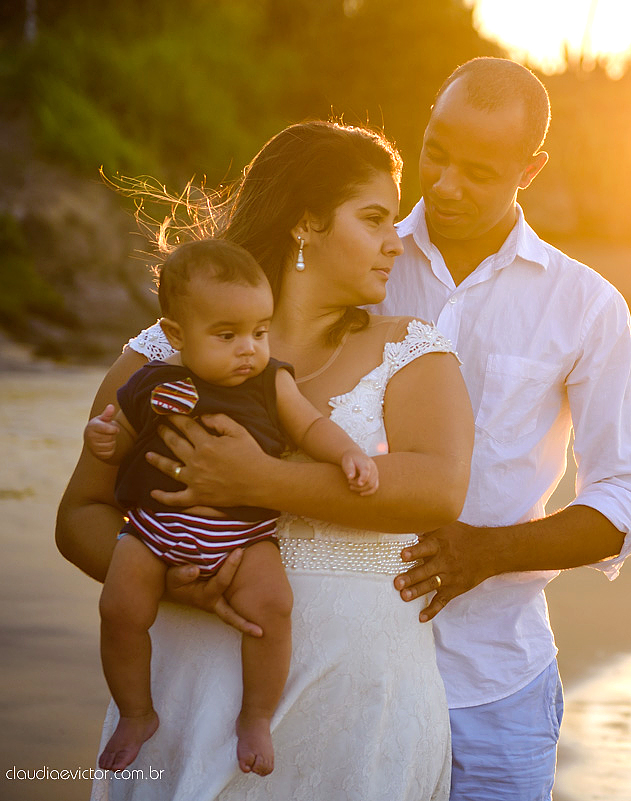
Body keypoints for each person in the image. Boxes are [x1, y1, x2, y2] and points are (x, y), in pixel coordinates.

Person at [56, 120, 474, 800]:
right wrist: (171, 580)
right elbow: (79, 513)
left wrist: (262, 479)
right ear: (306, 223)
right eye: (373, 219)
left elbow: (438, 486)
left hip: (360, 711)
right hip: (191, 690)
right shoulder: (165, 355)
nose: (396, 242)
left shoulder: (411, 351)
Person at [379, 57, 631, 799]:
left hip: (495, 684)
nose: (443, 184)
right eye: (435, 152)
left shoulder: (586, 306)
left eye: (477, 170)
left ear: (529, 169)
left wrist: (489, 551)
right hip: (347, 667)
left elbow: (628, 498)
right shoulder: (362, 264)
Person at [85, 238, 380, 776]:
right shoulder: (149, 383)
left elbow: (311, 427)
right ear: (176, 334)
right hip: (151, 530)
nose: (249, 348)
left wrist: (348, 453)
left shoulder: (271, 381)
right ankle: (136, 712)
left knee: (273, 607)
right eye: (227, 336)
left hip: (245, 535)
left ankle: (257, 716)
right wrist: (103, 439)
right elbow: (119, 437)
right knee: (119, 611)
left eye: (260, 332)